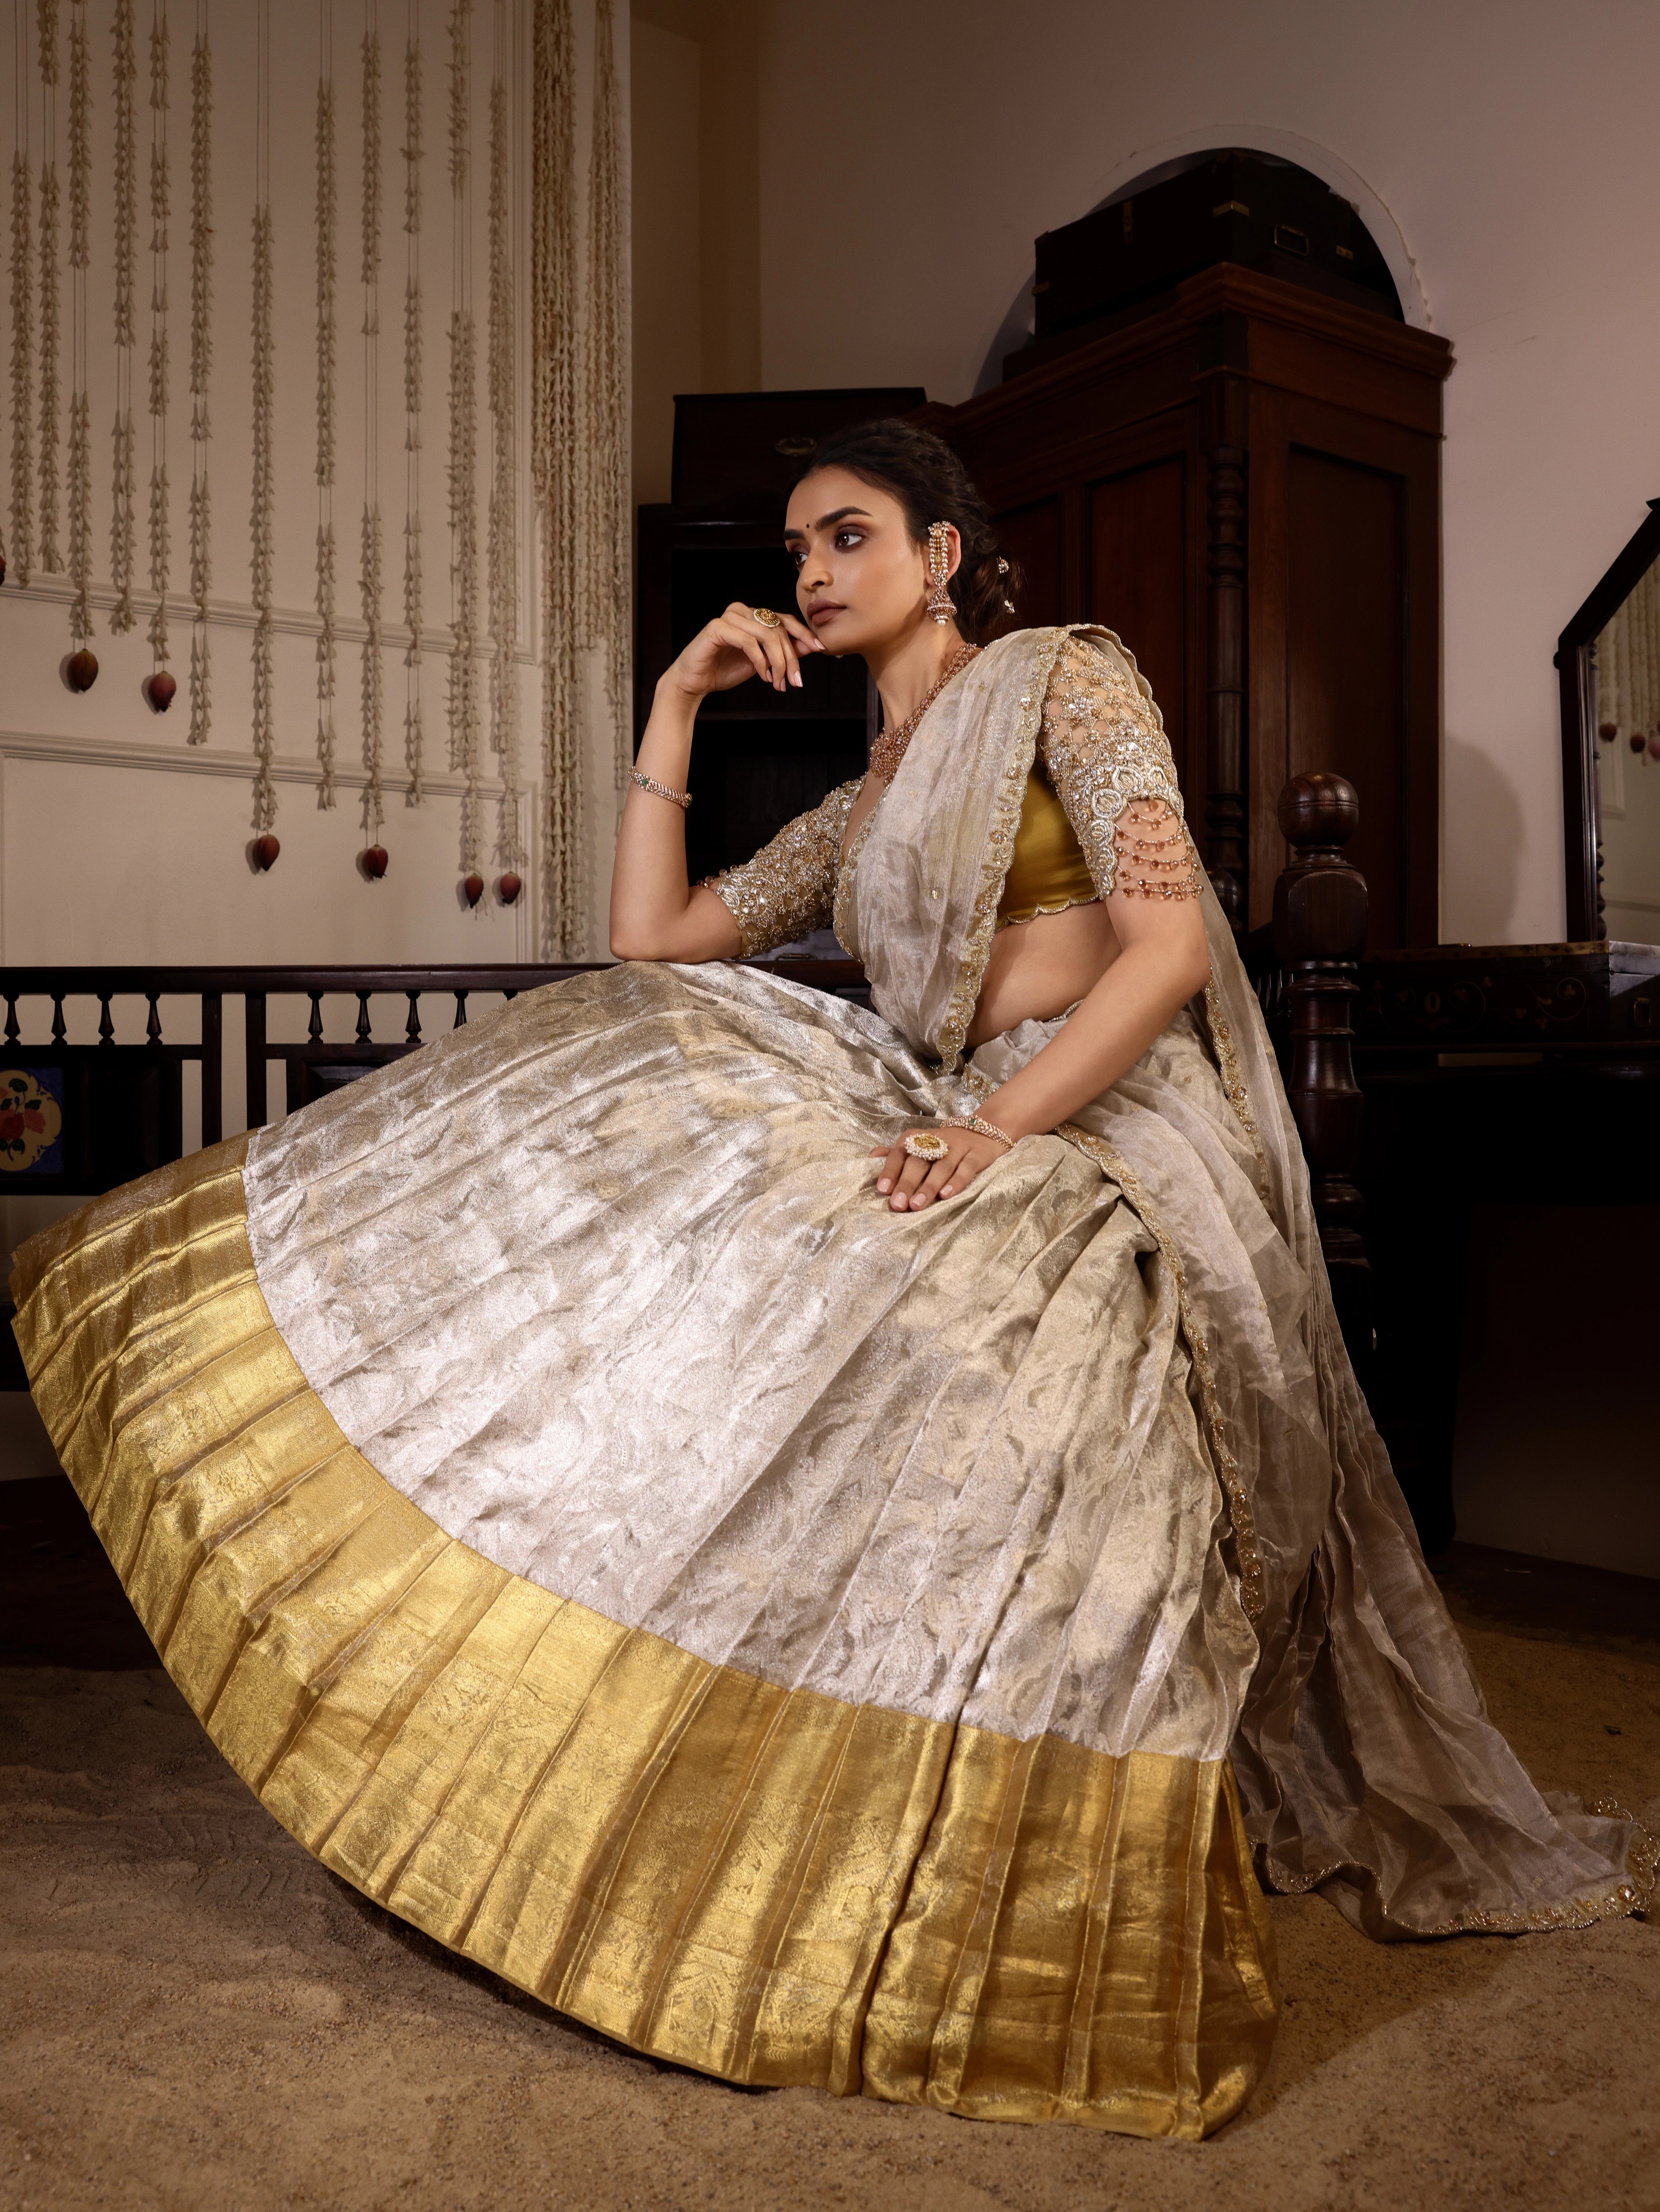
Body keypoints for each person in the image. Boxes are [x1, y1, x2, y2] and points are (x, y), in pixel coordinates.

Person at [14, 421, 1649, 2143]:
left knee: (906, 1267)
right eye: (796, 545)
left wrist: (1005, 1130)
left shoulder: (1062, 683)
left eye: (849, 534)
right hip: (953, 1107)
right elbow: (658, 941)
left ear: (945, 554)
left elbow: (1168, 947)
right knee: (650, 1058)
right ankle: (620, 1736)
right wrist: (674, 705)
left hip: (1094, 1117)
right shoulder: (866, 801)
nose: (810, 570)